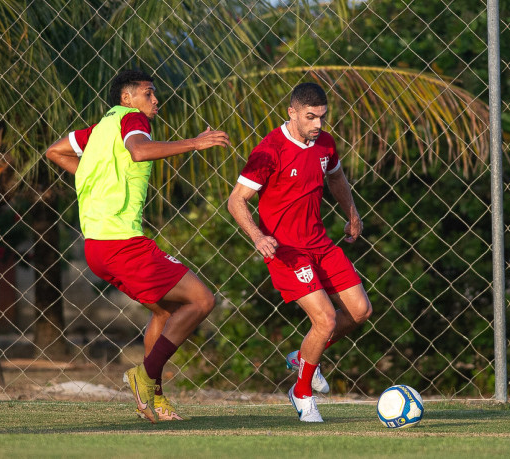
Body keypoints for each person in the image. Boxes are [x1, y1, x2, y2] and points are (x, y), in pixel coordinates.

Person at [45, 70, 230, 423]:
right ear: (127, 98)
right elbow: (139, 151)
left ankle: (153, 401)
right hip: (122, 243)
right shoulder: (132, 119)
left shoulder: (100, 129)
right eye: (148, 93)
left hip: (97, 247)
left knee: (164, 312)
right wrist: (193, 142)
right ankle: (144, 376)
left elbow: (55, 150)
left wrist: (93, 176)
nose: (155, 100)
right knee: (202, 300)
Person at [227, 82, 372, 422]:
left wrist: (351, 212)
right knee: (325, 318)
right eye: (310, 117)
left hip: (320, 244)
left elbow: (335, 178)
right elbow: (235, 200)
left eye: (322, 116)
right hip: (287, 251)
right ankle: (302, 392)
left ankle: (304, 356)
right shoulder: (269, 150)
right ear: (292, 112)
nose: (317, 124)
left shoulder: (324, 144)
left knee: (361, 311)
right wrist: (257, 236)